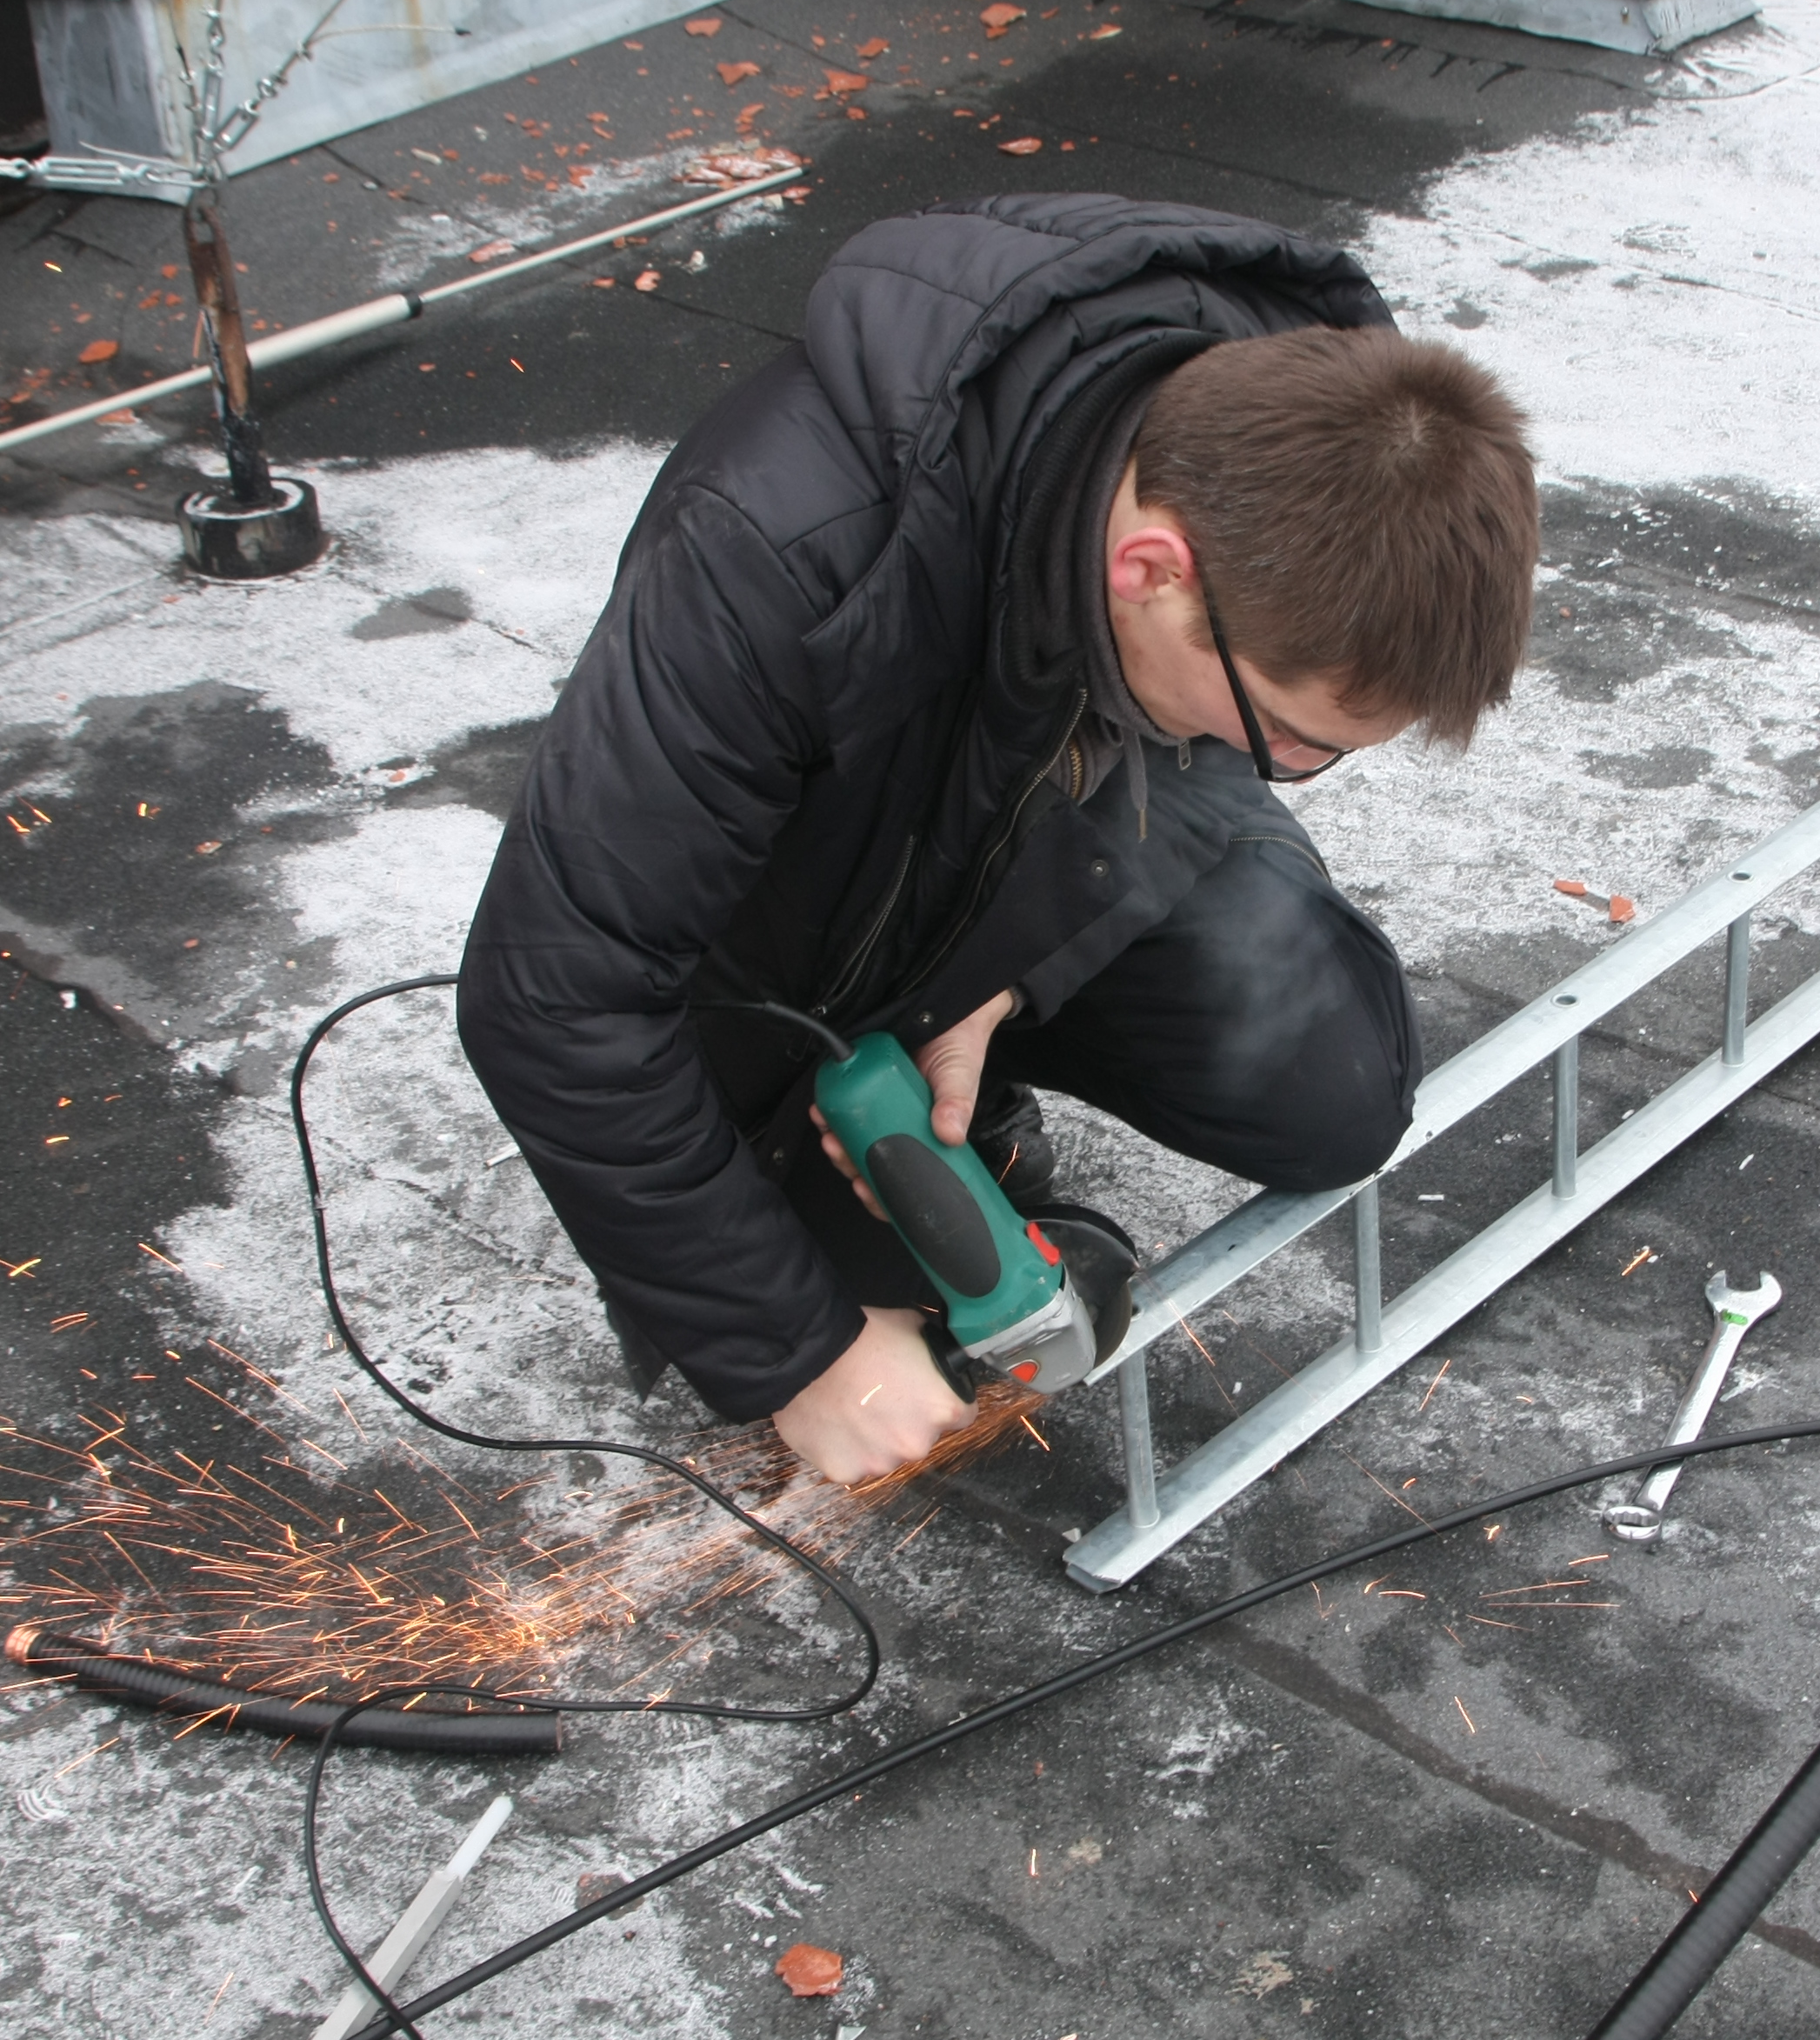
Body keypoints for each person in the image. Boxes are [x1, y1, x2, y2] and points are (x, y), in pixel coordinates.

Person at [458, 193, 1539, 1483]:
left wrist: (1010, 978)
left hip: (1032, 842)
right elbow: (553, 996)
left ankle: (972, 1054)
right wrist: (801, 1353)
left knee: (1334, 1095)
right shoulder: (775, 556)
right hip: (791, 947)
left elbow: (1190, 763)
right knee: (861, 1325)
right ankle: (869, 1159)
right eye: (1297, 739)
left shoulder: (1308, 443)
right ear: (1152, 571)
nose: (1292, 772)